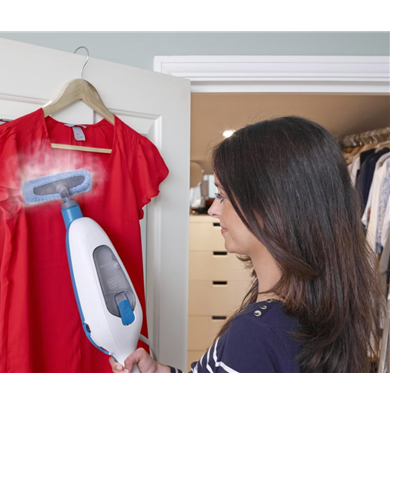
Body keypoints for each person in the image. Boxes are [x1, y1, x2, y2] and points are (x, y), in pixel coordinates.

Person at [110, 116, 383, 373]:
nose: (213, 209)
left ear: (272, 205)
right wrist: (162, 373)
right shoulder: (313, 312)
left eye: (223, 195)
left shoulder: (257, 334)